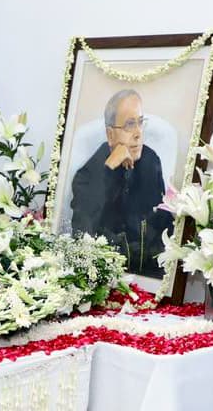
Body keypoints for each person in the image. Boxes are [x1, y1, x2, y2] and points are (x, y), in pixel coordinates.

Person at [70, 89, 173, 277]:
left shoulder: (151, 160)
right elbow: (83, 235)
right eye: (129, 125)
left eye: (140, 123)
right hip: (108, 279)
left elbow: (163, 225)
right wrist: (108, 168)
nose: (138, 133)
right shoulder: (86, 176)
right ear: (110, 135)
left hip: (151, 278)